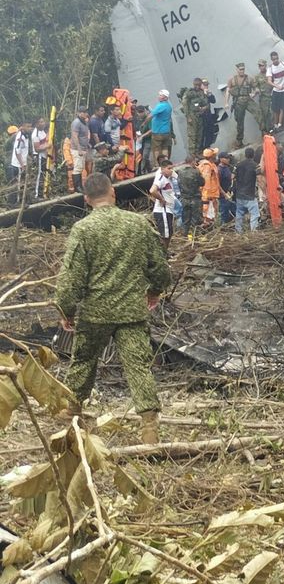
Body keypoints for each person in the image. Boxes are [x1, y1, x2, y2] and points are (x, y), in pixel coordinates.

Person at [54, 174, 170, 444]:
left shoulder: (83, 229)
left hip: (96, 312)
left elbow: (72, 277)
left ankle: (72, 409)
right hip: (131, 310)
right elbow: (160, 267)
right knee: (139, 366)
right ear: (113, 193)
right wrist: (154, 290)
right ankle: (149, 427)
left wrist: (65, 310)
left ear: (86, 199)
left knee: (83, 360)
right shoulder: (138, 224)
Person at [148, 157, 177, 248]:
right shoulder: (161, 178)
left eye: (172, 168)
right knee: (165, 235)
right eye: (169, 168)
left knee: (169, 233)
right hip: (162, 211)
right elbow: (152, 190)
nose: (171, 170)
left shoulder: (169, 178)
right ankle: (163, 253)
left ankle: (165, 252)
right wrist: (161, 199)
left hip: (168, 210)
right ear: (162, 169)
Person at [178, 77, 210, 157]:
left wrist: (204, 108)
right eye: (196, 85)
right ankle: (192, 155)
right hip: (192, 116)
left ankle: (197, 152)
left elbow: (206, 103)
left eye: (199, 85)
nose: (197, 87)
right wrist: (188, 117)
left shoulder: (201, 93)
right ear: (193, 84)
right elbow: (184, 104)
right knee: (192, 135)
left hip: (200, 115)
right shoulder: (189, 92)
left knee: (199, 135)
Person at [225, 62, 254, 148]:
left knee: (258, 112)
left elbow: (255, 87)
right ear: (237, 70)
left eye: (243, 69)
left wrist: (254, 93)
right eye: (240, 69)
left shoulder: (249, 79)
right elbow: (228, 91)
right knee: (239, 122)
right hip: (238, 102)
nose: (242, 71)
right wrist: (226, 102)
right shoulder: (232, 80)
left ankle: (265, 132)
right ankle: (239, 142)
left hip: (248, 99)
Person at [175, 156, 203, 241]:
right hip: (195, 199)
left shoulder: (180, 172)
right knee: (195, 220)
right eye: (195, 161)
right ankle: (195, 237)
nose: (196, 163)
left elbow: (178, 184)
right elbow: (202, 182)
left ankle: (184, 237)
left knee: (185, 220)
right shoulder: (196, 172)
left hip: (184, 199)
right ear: (192, 161)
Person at [234, 147, 261, 233]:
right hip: (250, 195)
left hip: (239, 194)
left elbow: (232, 177)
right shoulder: (255, 165)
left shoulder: (238, 165)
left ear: (245, 155)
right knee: (255, 214)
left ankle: (238, 232)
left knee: (239, 214)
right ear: (253, 155)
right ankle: (253, 232)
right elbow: (260, 179)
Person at [147, 90, 174, 165]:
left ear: (165, 97)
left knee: (156, 148)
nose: (159, 96)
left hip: (158, 131)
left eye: (161, 95)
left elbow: (151, 115)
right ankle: (166, 162)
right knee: (165, 147)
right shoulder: (169, 106)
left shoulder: (161, 105)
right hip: (166, 131)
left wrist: (144, 123)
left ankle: (157, 164)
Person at [268, 51, 284, 132]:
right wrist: (277, 86)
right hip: (276, 91)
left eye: (277, 58)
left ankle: (280, 124)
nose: (276, 60)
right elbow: (269, 81)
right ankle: (275, 125)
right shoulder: (270, 69)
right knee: (275, 109)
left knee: (282, 108)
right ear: (271, 60)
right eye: (274, 59)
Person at [69, 107, 91, 193]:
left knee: (81, 167)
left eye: (86, 112)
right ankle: (77, 187)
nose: (86, 114)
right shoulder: (76, 123)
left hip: (84, 147)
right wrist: (79, 149)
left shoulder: (84, 122)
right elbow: (74, 136)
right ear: (79, 113)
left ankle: (80, 186)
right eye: (84, 112)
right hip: (77, 149)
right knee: (77, 168)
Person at [8, 122, 30, 203]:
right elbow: (17, 152)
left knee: (22, 183)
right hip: (17, 164)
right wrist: (22, 165)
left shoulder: (26, 136)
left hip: (21, 163)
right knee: (16, 184)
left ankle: (22, 200)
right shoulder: (18, 137)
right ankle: (15, 202)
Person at [198, 148, 220, 226]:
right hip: (208, 195)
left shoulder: (211, 165)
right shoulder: (206, 166)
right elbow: (206, 181)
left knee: (212, 214)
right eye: (215, 154)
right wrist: (207, 195)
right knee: (208, 216)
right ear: (212, 156)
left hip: (212, 194)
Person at [252, 60, 273, 136]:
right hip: (264, 98)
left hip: (272, 96)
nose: (261, 67)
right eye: (260, 66)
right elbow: (255, 86)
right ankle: (265, 132)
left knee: (272, 114)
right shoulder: (257, 77)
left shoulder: (270, 74)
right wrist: (256, 90)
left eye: (262, 65)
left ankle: (272, 129)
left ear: (265, 65)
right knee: (265, 115)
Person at [31, 116, 49, 199]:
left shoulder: (42, 132)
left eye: (43, 121)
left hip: (45, 156)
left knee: (45, 174)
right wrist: (47, 146)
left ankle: (44, 193)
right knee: (39, 175)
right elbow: (37, 148)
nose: (43, 123)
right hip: (39, 157)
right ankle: (37, 195)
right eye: (41, 122)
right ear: (37, 124)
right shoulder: (35, 134)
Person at [217, 152, 235, 224]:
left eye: (228, 158)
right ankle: (223, 227)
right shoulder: (219, 170)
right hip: (223, 196)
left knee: (234, 210)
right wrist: (224, 194)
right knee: (224, 213)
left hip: (229, 193)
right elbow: (217, 184)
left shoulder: (227, 167)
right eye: (226, 158)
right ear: (221, 159)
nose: (228, 160)